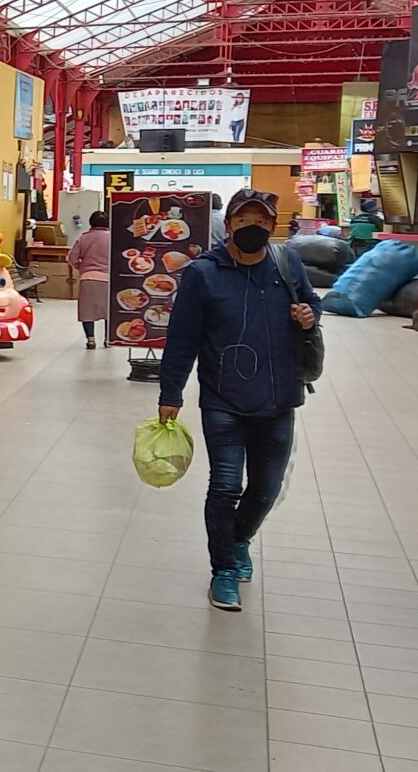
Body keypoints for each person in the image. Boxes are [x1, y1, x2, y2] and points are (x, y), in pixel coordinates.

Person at [157, 188, 320, 613]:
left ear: (273, 226)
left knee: (266, 488)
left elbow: (312, 302)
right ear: (228, 225)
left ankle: (239, 539)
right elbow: (183, 338)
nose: (254, 228)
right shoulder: (203, 274)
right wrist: (171, 392)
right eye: (245, 221)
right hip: (223, 398)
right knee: (225, 485)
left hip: (280, 395)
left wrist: (309, 315)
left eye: (262, 222)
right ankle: (224, 570)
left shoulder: (286, 264)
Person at [68, 211, 111, 349]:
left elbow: (72, 257)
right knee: (109, 310)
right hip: (108, 279)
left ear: (91, 223)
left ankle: (91, 340)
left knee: (87, 310)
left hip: (88, 278)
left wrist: (82, 268)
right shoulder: (113, 238)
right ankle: (108, 339)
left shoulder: (83, 238)